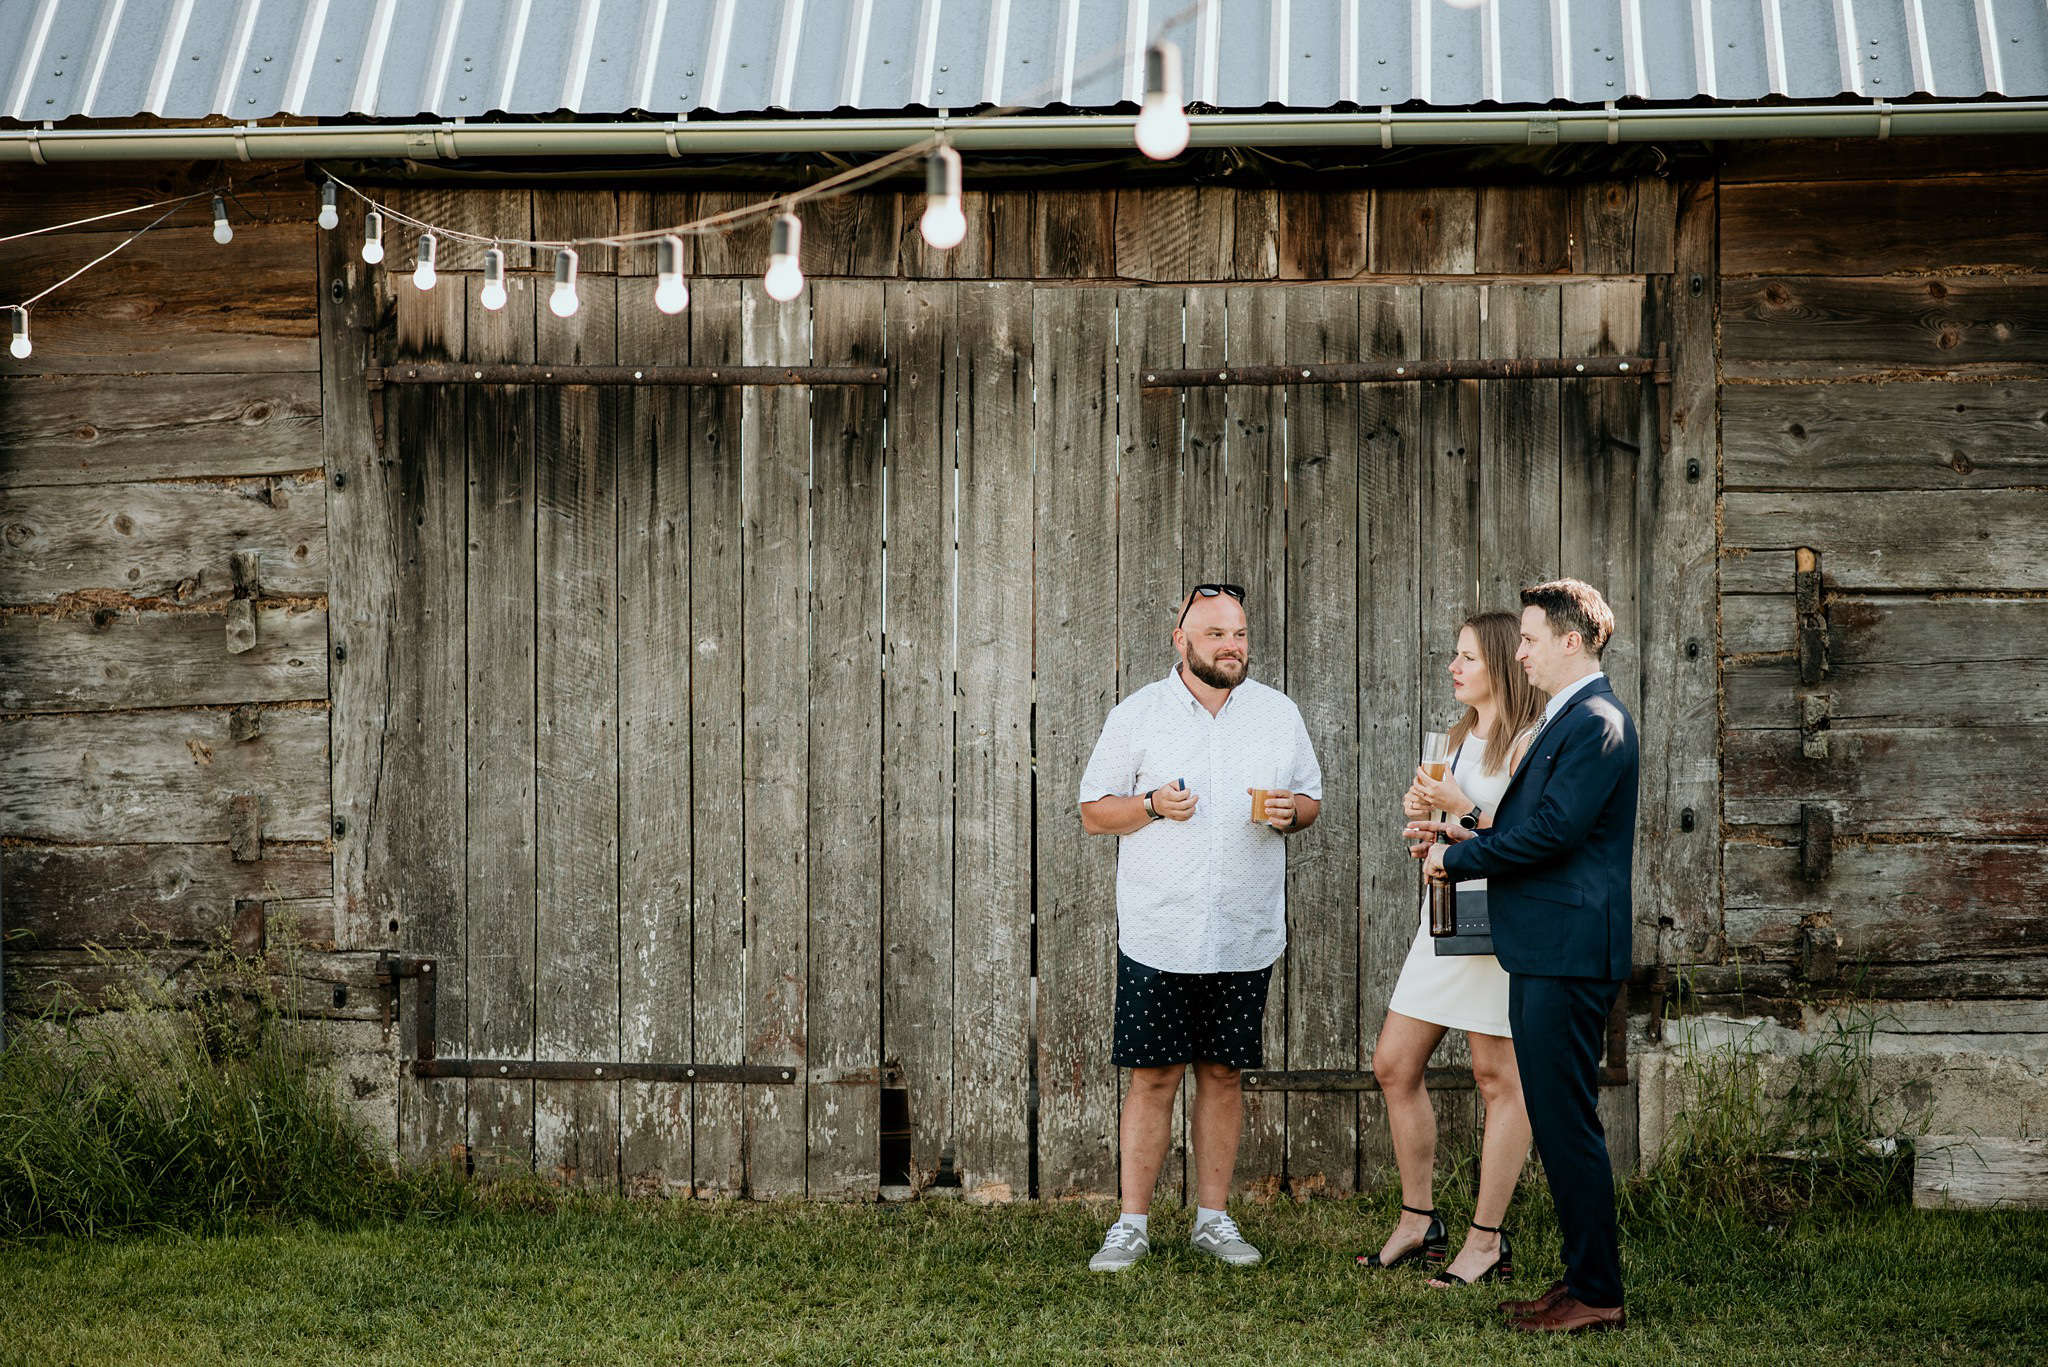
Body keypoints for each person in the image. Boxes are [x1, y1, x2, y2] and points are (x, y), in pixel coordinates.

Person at [1409, 579, 1639, 1334]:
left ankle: (1597, 1292)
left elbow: (1552, 834)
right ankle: (1580, 1278)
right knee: (1556, 1112)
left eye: (1532, 637)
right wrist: (1458, 834)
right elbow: (1526, 820)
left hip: (1569, 952)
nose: (1522, 650)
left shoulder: (1597, 722)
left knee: (1567, 1121)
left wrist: (1458, 860)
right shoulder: (1566, 721)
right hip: (1545, 947)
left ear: (1572, 641)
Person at [1076, 583, 1323, 1272]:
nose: (1231, 645)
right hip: (1161, 930)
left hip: (1243, 931)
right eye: (1216, 633)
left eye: (1239, 633)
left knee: (1222, 1074)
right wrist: (1151, 805)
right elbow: (1095, 811)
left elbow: (1310, 801)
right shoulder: (1139, 714)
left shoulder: (1278, 714)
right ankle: (1131, 1224)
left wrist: (1289, 813)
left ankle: (1213, 1219)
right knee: (1153, 1078)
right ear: (1179, 639)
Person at [1358, 611, 1546, 1288]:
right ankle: (1419, 1219)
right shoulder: (1460, 737)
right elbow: (1459, 834)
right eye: (1453, 655)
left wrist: (1458, 811)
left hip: (1500, 928)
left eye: (1465, 656)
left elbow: (1529, 838)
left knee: (1500, 1080)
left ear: (1498, 663)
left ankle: (1486, 1239)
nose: (1453, 667)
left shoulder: (1532, 739)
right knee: (1392, 1063)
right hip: (1444, 919)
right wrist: (1430, 834)